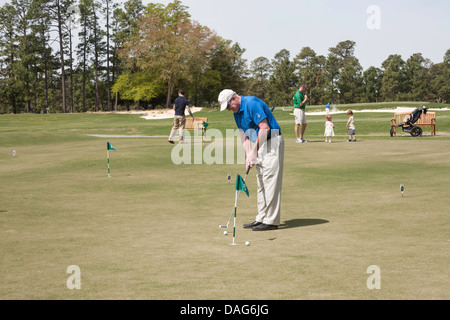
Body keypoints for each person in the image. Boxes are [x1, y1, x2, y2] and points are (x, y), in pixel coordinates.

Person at [218, 89, 284, 231]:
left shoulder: (252, 103)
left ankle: (271, 220)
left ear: (234, 98)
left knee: (270, 180)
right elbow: (244, 136)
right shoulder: (237, 114)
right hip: (259, 143)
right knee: (261, 182)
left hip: (271, 141)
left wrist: (254, 151)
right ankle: (261, 217)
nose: (229, 109)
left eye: (229, 106)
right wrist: (248, 155)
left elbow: (265, 128)